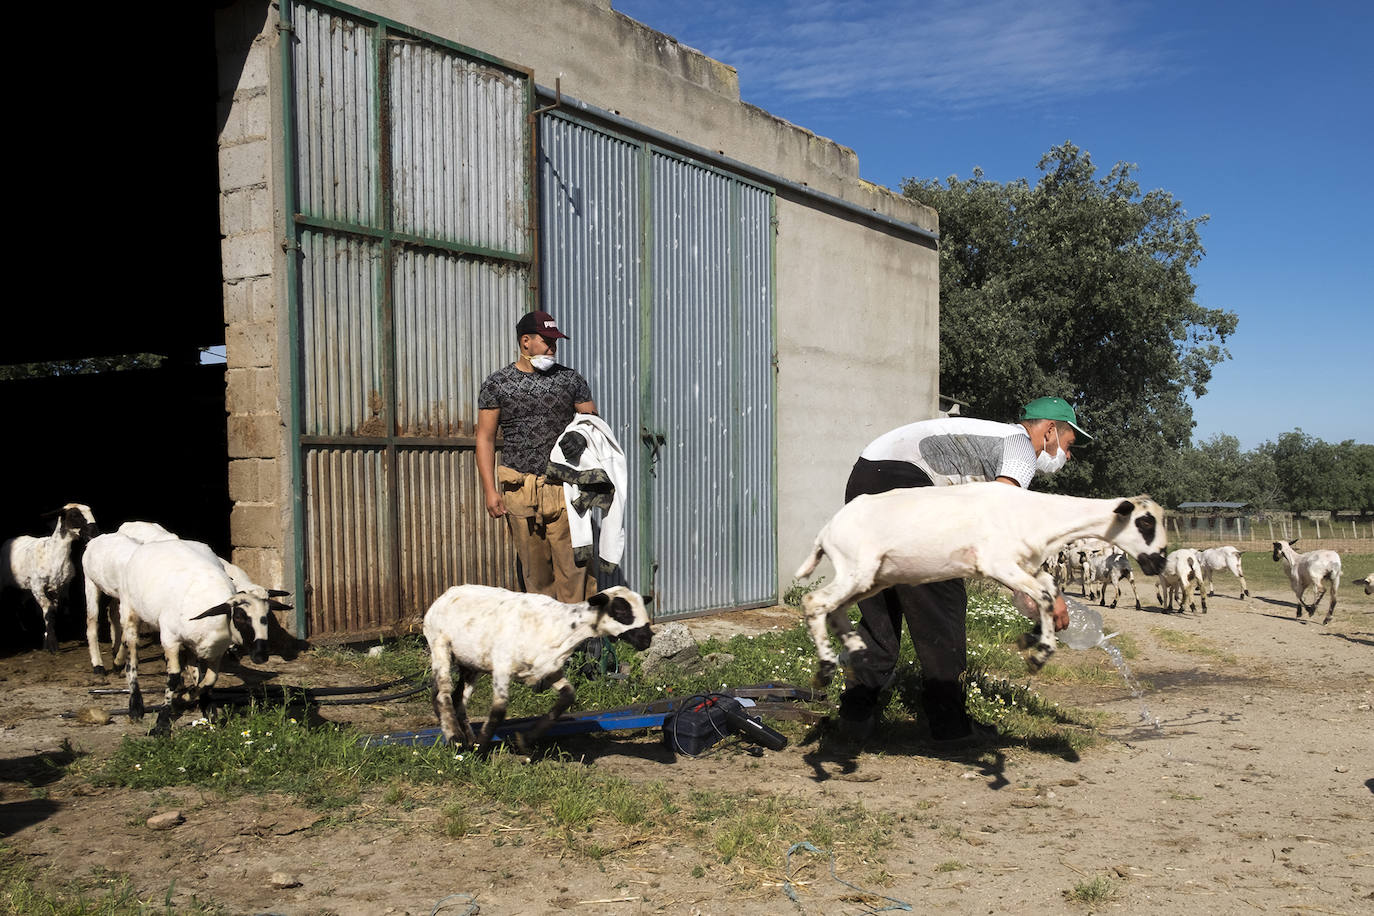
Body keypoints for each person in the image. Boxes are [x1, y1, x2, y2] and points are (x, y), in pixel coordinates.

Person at [836, 397, 1091, 746]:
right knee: (942, 599)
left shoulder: (989, 438)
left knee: (882, 613)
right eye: (1069, 444)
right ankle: (949, 729)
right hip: (906, 482)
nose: (1069, 455)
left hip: (865, 481)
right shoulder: (1020, 447)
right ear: (1048, 431)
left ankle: (854, 719)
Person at [476, 310, 598, 604]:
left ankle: (583, 638)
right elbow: (485, 438)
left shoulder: (571, 380)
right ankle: (548, 641)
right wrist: (490, 491)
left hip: (564, 488)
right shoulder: (497, 384)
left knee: (575, 567)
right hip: (520, 490)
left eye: (556, 342)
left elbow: (593, 425)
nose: (553, 349)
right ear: (526, 342)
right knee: (536, 572)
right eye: (547, 342)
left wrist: (581, 438)